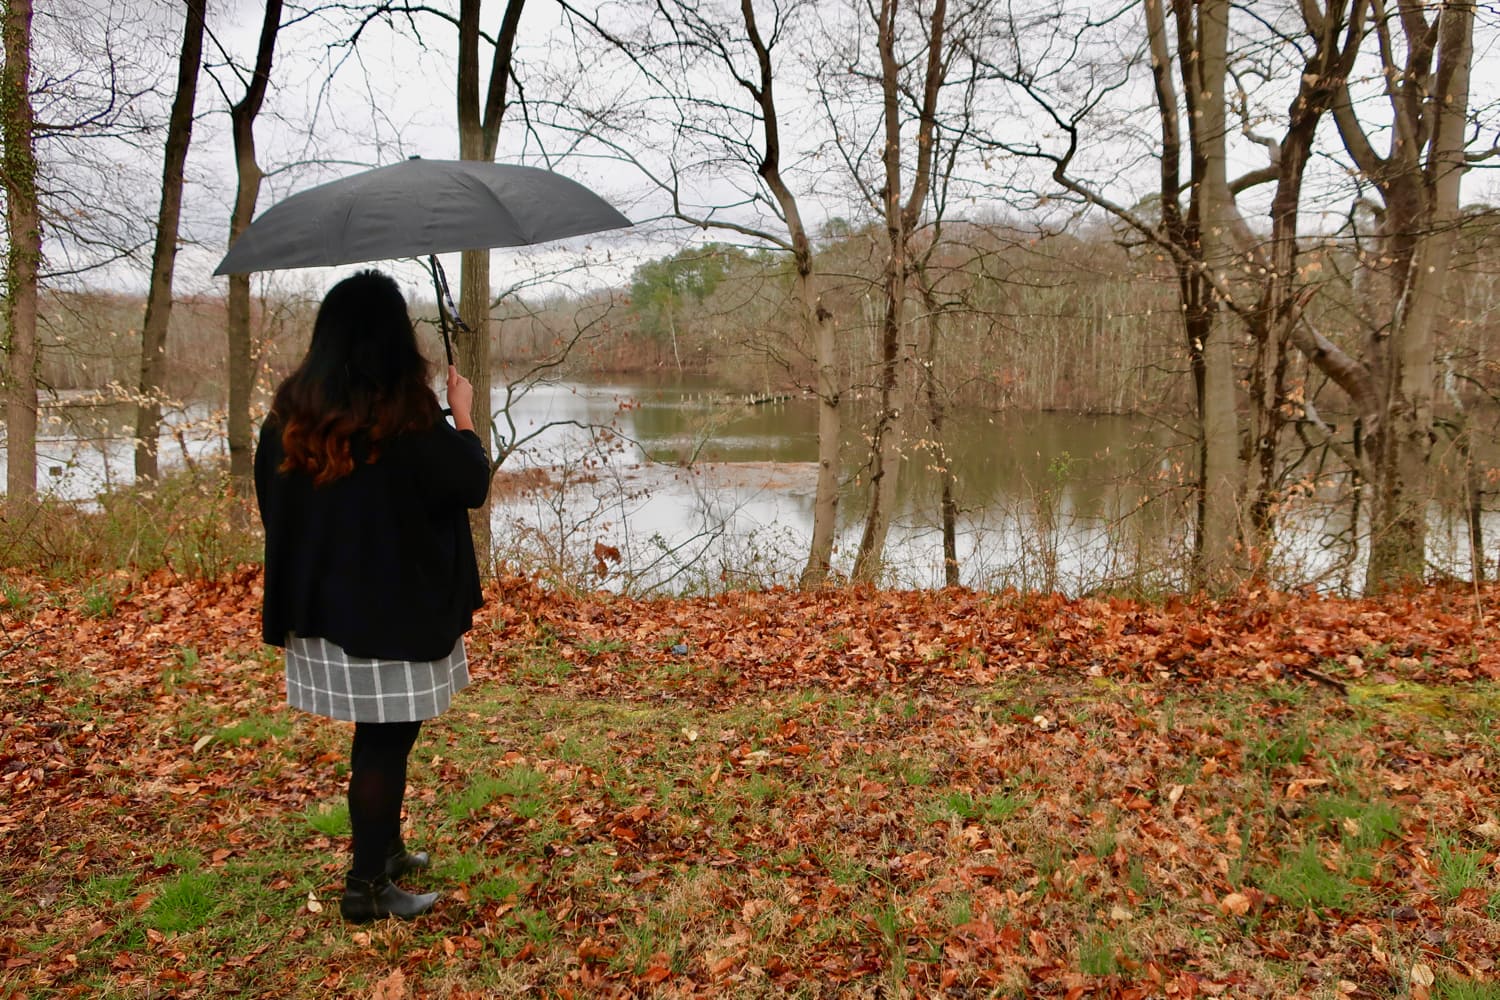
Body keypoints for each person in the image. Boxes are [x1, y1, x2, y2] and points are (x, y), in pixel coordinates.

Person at [255, 270, 490, 923]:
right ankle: (366, 888)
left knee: (385, 736)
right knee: (386, 740)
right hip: (395, 614)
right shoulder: (405, 416)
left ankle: (384, 851)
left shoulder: (289, 414)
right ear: (393, 338)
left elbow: (275, 508)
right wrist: (462, 414)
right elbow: (470, 482)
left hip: (326, 614)